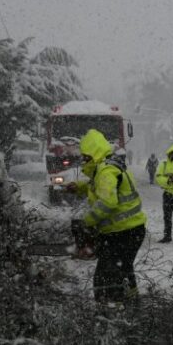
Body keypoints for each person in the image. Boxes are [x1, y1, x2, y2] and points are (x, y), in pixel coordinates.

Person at [65, 129, 147, 303]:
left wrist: (86, 222)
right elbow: (97, 187)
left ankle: (111, 309)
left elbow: (108, 202)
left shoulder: (105, 171)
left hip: (124, 233)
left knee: (105, 278)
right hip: (131, 230)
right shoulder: (107, 167)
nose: (83, 161)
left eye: (86, 157)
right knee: (123, 270)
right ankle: (131, 304)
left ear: (95, 155)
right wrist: (79, 187)